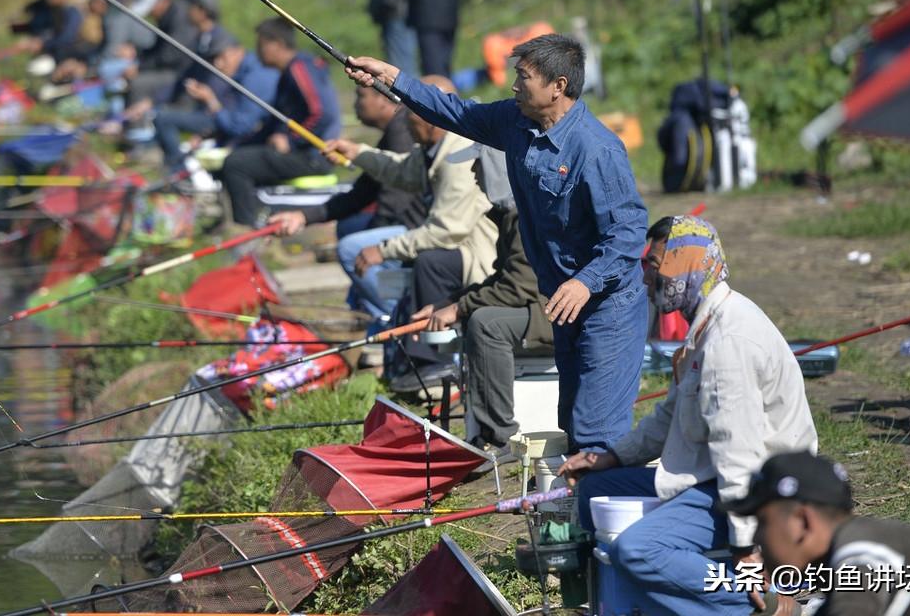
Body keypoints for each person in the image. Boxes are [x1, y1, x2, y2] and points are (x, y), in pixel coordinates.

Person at [344, 34, 647, 453]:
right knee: (574, 423)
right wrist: (392, 78)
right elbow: (454, 111)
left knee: (597, 434)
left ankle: (607, 511)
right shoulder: (516, 122)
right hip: (561, 303)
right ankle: (582, 513)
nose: (513, 86)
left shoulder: (597, 150)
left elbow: (628, 233)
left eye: (523, 77)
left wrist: (585, 282)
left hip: (606, 306)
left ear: (558, 86)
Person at [557, 216, 818, 616]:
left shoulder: (728, 343)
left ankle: (762, 606)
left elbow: (740, 453)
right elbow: (668, 416)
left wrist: (747, 548)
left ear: (688, 262)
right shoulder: (704, 328)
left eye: (655, 264)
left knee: (637, 551)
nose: (647, 277)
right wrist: (609, 458)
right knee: (594, 491)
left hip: (763, 492)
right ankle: (643, 595)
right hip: (713, 475)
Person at [320, 76, 497, 330]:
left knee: (425, 261)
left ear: (433, 117)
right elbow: (401, 171)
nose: (404, 120)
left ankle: (408, 334)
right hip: (454, 243)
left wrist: (383, 250)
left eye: (411, 112)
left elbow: (446, 231)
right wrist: (358, 153)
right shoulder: (435, 146)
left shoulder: (457, 158)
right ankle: (398, 325)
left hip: (477, 256)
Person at [409, 142, 553, 450]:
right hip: (545, 306)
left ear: (500, 169)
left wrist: (460, 308)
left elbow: (518, 287)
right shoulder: (513, 213)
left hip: (560, 311)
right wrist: (450, 304)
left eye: (479, 166)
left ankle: (498, 436)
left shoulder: (527, 214)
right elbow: (504, 278)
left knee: (487, 324)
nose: (474, 174)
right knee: (480, 316)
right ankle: (483, 430)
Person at [728, 450, 910, 616]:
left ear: (803, 521)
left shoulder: (864, 555)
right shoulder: (845, 558)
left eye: (763, 522)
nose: (756, 537)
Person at [221, 18, 342, 227]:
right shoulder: (289, 72)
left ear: (276, 44)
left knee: (235, 165)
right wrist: (240, 143)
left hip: (314, 155)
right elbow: (275, 122)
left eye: (260, 45)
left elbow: (321, 114)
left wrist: (291, 140)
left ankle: (246, 227)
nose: (257, 52)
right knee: (236, 156)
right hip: (302, 151)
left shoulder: (299, 69)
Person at [268, 84, 424, 243]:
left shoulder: (401, 130)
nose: (355, 104)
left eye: (361, 96)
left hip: (417, 230)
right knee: (348, 227)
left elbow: (395, 201)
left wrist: (376, 249)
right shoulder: (395, 132)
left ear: (384, 98)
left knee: (350, 241)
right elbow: (361, 193)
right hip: (412, 226)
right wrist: (302, 217)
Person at [150, 27, 279, 173]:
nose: (218, 64)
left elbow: (239, 127)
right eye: (214, 59)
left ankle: (178, 171)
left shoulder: (255, 78)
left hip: (255, 140)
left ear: (237, 51)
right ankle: (179, 170)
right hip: (227, 128)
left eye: (222, 57)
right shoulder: (242, 72)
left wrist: (210, 100)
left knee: (163, 118)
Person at [125, 0, 201, 115]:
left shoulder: (180, 16)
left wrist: (140, 67)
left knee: (138, 83)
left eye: (150, 8)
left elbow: (171, 54)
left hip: (182, 73)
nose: (149, 14)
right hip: (170, 68)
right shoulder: (167, 15)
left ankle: (137, 129)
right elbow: (158, 48)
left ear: (161, 1)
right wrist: (138, 54)